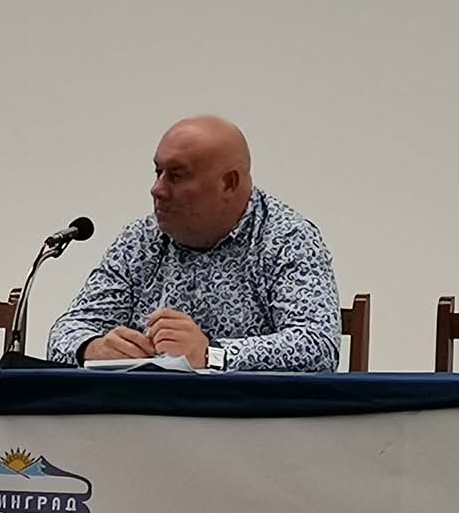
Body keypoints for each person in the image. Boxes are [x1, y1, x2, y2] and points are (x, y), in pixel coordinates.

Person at [47, 115, 339, 372]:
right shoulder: (140, 240)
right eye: (158, 172)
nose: (157, 189)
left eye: (176, 176)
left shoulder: (287, 239)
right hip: (141, 412)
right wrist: (91, 348)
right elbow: (66, 332)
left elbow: (318, 346)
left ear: (229, 183)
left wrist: (212, 355)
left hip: (245, 415)